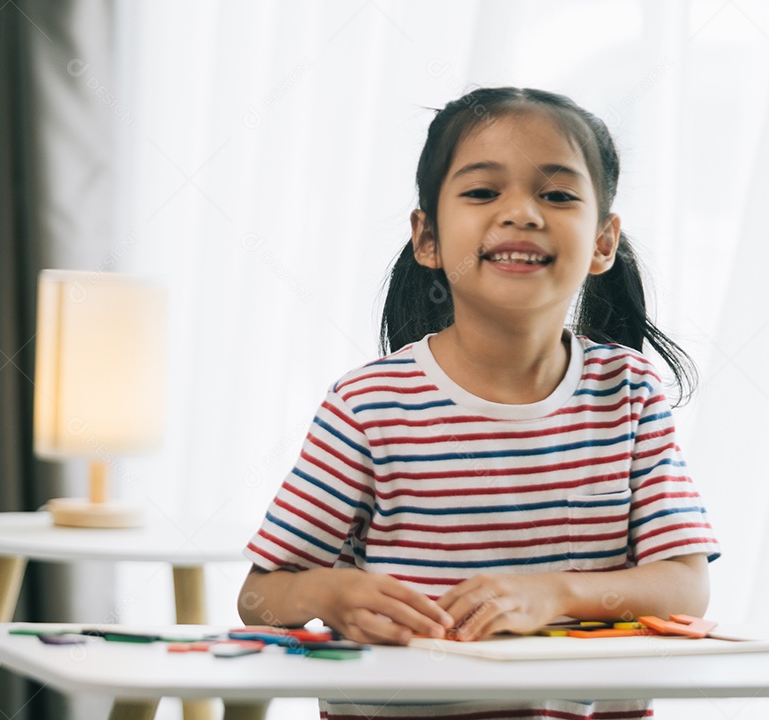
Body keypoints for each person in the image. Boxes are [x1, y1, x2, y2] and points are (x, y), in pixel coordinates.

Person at [238, 86, 720, 720]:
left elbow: (684, 584)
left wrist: (556, 593)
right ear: (428, 237)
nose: (521, 212)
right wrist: (333, 592)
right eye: (482, 192)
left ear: (604, 241)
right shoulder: (368, 405)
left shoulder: (629, 394)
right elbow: (259, 599)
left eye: (557, 194)